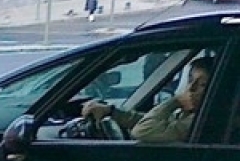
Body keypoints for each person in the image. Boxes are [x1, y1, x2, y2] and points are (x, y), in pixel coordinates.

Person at [81, 55, 213, 143]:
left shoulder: (199, 120)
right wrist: (111, 111)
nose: (191, 87)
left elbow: (143, 131)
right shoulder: (190, 113)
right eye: (190, 80)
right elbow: (147, 121)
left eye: (201, 84)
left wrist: (175, 101)